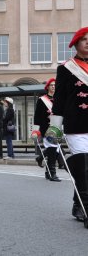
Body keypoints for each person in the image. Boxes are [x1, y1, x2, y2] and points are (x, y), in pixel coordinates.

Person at [46, 27, 88, 220]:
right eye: (84, 39)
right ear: (76, 43)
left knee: (85, 169)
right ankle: (84, 207)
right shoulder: (66, 68)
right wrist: (55, 125)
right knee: (82, 166)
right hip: (76, 123)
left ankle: (77, 204)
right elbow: (60, 99)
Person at [32, 78, 61, 182]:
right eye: (51, 85)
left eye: (55, 85)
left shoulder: (59, 99)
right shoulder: (42, 100)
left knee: (56, 151)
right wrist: (36, 131)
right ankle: (52, 173)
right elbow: (37, 116)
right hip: (47, 127)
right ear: (47, 87)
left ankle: (43, 163)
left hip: (57, 127)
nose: (53, 87)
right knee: (53, 150)